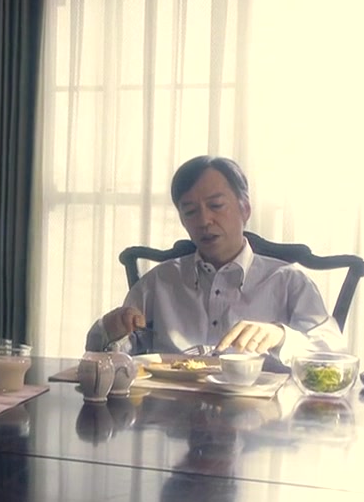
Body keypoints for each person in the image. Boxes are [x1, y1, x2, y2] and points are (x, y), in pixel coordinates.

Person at [85, 155, 343, 363]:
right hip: (171, 409)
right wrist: (109, 330)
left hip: (263, 411)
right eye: (190, 211)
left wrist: (281, 337)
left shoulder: (289, 282)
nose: (204, 220)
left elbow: (334, 353)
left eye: (216, 206)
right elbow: (108, 356)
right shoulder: (158, 282)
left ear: (245, 209)